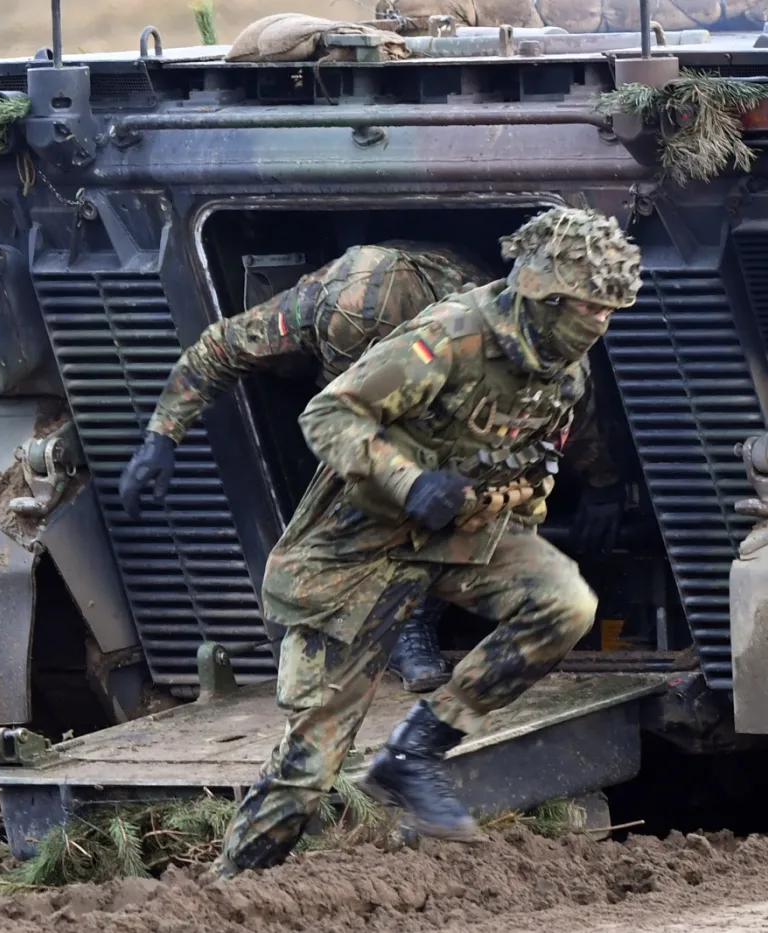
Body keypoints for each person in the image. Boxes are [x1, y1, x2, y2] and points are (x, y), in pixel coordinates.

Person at [208, 205, 644, 879]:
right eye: (592, 308)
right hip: (361, 546)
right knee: (310, 766)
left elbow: (545, 451)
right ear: (547, 295)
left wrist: (594, 490)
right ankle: (228, 891)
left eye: (610, 312)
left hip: (455, 541)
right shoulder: (450, 335)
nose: (601, 324)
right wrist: (408, 482)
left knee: (565, 605)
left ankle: (415, 751)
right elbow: (329, 414)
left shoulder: (563, 370)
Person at [119, 241, 493, 693]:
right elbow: (217, 349)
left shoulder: (471, 318)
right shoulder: (312, 304)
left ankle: (413, 618)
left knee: (450, 481)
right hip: (355, 402)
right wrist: (161, 435)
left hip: (450, 403)